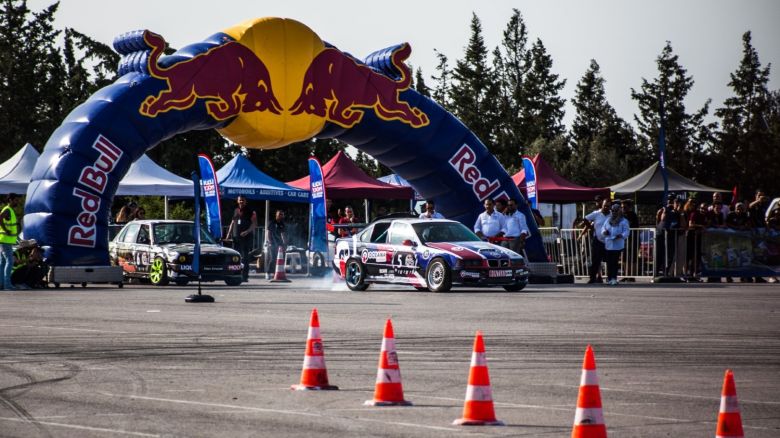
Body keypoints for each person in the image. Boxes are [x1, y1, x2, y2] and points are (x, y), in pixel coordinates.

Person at [227, 196, 257, 282]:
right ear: (237, 201)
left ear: (245, 201)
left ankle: (244, 276)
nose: (241, 202)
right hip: (236, 237)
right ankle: (236, 274)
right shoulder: (236, 210)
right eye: (240, 200)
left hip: (246, 238)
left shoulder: (250, 211)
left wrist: (247, 231)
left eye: (243, 200)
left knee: (245, 258)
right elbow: (232, 222)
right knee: (235, 257)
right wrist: (228, 234)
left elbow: (254, 224)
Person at [582, 199, 611, 284]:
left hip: (608, 241)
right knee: (595, 260)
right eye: (605, 205)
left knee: (610, 261)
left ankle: (610, 278)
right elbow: (585, 218)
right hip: (597, 240)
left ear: (610, 207)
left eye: (608, 206)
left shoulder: (612, 215)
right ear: (602, 205)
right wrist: (591, 228)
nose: (606, 207)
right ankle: (592, 278)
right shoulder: (597, 213)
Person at [601, 204, 630, 285]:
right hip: (609, 244)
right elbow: (603, 228)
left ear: (619, 210)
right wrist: (604, 232)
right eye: (612, 210)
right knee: (609, 262)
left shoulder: (623, 220)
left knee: (614, 262)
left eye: (616, 210)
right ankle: (609, 278)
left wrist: (621, 235)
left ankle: (614, 278)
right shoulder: (608, 220)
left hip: (617, 244)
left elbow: (627, 231)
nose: (614, 212)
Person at [0, 193, 20, 290]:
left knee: (3, 263)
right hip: (5, 241)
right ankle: (7, 285)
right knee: (10, 261)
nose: (17, 202)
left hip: (5, 241)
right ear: (10, 200)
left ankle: (2, 284)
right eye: (15, 200)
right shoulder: (7, 210)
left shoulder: (10, 210)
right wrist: (5, 230)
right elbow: (0, 218)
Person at [265, 209, 287, 279]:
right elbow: (268, 232)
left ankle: (276, 273)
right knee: (273, 258)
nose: (281, 216)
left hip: (279, 244)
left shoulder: (282, 224)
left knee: (279, 259)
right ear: (276, 215)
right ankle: (268, 272)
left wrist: (285, 243)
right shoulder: (272, 223)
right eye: (279, 214)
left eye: (282, 214)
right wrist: (269, 241)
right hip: (272, 243)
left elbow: (283, 234)